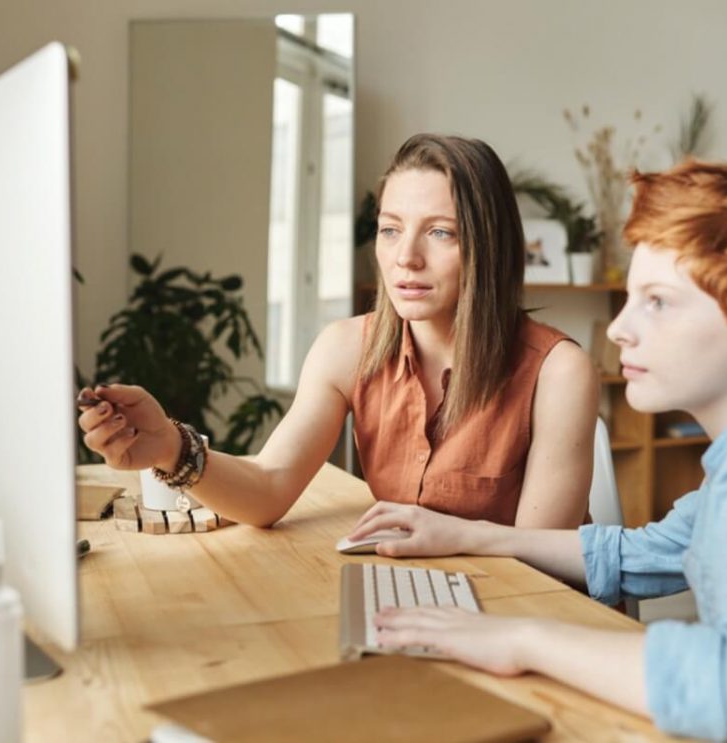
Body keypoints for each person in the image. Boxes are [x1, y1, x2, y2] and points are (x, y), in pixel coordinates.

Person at [349, 161, 727, 743]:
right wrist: (468, 534)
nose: (618, 329)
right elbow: (643, 552)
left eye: (657, 301)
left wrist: (521, 640)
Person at [78, 133, 598, 529]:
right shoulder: (347, 348)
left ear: (490, 247)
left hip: (524, 619)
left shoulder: (559, 372)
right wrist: (170, 446)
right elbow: (268, 488)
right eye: (391, 229)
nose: (405, 258)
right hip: (418, 601)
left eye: (440, 232)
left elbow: (540, 563)